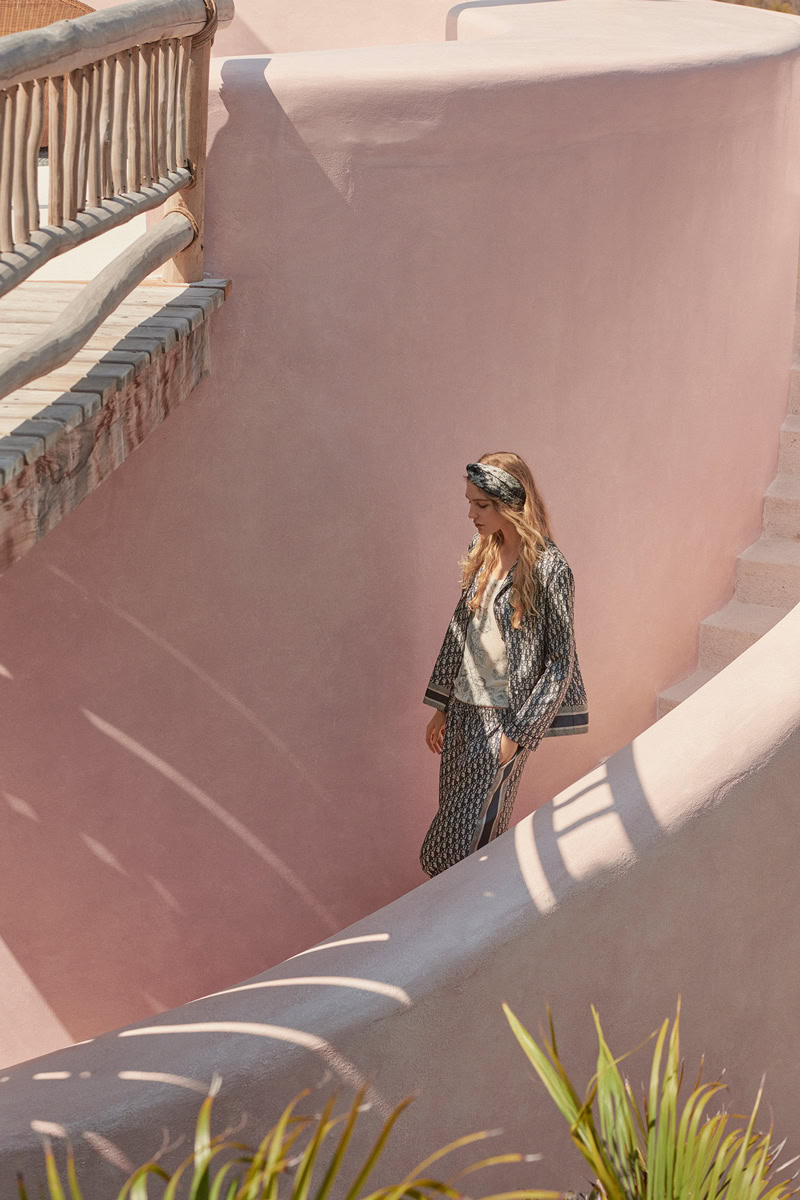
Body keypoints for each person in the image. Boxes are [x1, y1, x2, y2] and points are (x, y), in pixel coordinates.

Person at [419, 451, 589, 877]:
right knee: (451, 824)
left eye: (481, 505)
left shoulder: (550, 569)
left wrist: (518, 735)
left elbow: (561, 662)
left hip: (505, 718)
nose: (471, 514)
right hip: (462, 710)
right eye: (470, 503)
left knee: (472, 838)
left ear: (509, 503)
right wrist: (441, 706)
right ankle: (459, 912)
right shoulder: (480, 552)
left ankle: (472, 912)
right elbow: (460, 631)